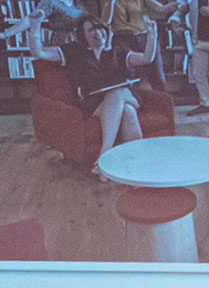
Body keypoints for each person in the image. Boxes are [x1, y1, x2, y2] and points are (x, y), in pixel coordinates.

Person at [27, 13, 162, 172]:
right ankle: (138, 166)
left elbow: (147, 59)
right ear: (83, 35)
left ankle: (104, 156)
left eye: (99, 28)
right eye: (91, 30)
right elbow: (39, 53)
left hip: (125, 95)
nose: (97, 33)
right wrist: (35, 26)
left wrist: (152, 33)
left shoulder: (118, 49)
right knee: (128, 112)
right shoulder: (73, 51)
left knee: (117, 93)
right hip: (93, 102)